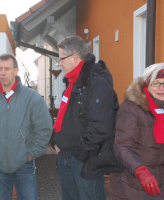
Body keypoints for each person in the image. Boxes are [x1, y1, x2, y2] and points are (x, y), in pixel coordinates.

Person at [0, 53, 52, 200]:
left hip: (24, 164)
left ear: (16, 71)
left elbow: (44, 128)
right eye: (0, 68)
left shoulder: (32, 98)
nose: (3, 72)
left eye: (7, 69)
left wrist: (32, 152)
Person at [51, 36, 122, 200]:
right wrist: (55, 142)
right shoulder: (71, 84)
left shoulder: (98, 85)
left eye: (61, 58)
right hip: (66, 158)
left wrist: (78, 155)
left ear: (74, 57)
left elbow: (100, 128)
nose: (59, 63)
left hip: (85, 161)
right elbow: (65, 119)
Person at [108, 63, 164, 200]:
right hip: (130, 183)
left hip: (162, 182)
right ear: (147, 84)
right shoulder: (132, 108)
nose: (161, 88)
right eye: (156, 83)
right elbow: (121, 147)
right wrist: (141, 171)